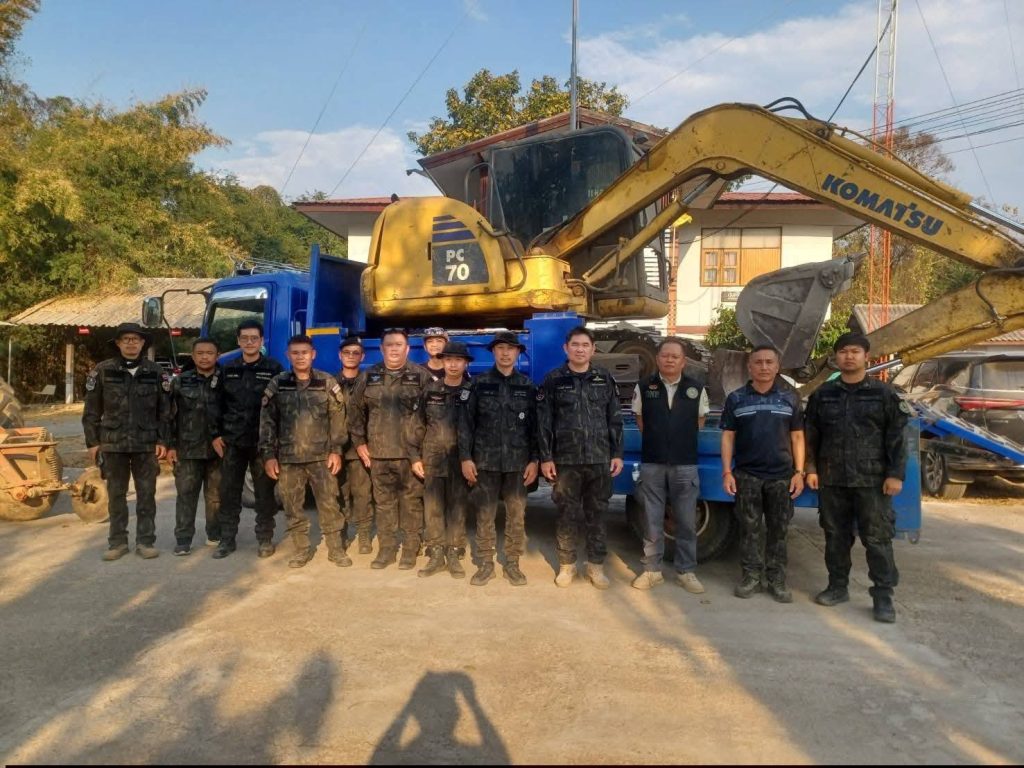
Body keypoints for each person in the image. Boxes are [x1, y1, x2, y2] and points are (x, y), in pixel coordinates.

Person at [805, 332, 910, 623]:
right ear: (835, 358)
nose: (849, 356)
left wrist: (895, 475)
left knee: (877, 539)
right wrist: (811, 469)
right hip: (832, 478)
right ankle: (837, 587)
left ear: (866, 357)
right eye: (843, 352)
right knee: (835, 536)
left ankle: (883, 596)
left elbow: (897, 438)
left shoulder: (883, 394)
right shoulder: (823, 395)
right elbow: (811, 435)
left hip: (872, 480)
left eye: (855, 351)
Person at [538, 326, 623, 589]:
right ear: (566, 348)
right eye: (575, 345)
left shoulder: (604, 378)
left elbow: (614, 418)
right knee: (567, 514)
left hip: (599, 458)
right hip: (566, 460)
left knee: (597, 514)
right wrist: (546, 457)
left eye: (585, 345)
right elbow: (544, 422)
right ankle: (567, 565)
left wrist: (617, 453)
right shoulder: (553, 379)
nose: (580, 349)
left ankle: (596, 567)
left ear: (593, 349)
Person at [720, 344, 805, 602]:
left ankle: (777, 580)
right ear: (749, 367)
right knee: (749, 529)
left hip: (781, 476)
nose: (764, 367)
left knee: (779, 531)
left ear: (777, 367)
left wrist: (799, 472)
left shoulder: (790, 398)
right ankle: (751, 577)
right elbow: (728, 437)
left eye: (769, 362)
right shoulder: (736, 398)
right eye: (758, 362)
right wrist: (727, 472)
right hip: (747, 476)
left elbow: (798, 437)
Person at [82, 322, 171, 561]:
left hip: (146, 443)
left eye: (136, 339)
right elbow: (91, 411)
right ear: (118, 343)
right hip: (113, 443)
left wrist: (163, 440)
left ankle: (145, 541)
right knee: (116, 495)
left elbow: (165, 411)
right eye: (126, 339)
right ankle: (117, 542)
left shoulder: (156, 372)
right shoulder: (102, 371)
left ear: (143, 343)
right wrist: (93, 442)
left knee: (146, 495)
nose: (131, 343)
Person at [259, 335, 348, 568]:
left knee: (329, 504)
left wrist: (336, 450)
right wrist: (268, 456)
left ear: (313, 354)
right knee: (292, 506)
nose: (300, 357)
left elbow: (338, 419)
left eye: (304, 352)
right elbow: (267, 421)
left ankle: (336, 549)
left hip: (321, 458)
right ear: (288, 355)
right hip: (289, 459)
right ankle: (301, 550)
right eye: (295, 353)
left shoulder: (326, 382)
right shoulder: (278, 383)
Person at [458, 332, 539, 587]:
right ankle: (485, 564)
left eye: (510, 348)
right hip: (484, 462)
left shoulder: (528, 387)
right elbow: (465, 425)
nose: (505, 353)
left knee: (516, 516)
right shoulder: (477, 384)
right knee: (484, 515)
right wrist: (465, 458)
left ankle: (512, 563)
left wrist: (535, 460)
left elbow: (536, 428)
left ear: (518, 353)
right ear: (493, 352)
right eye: (500, 348)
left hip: (518, 464)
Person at [630, 337, 710, 593]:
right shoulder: (645, 386)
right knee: (652, 520)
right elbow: (640, 419)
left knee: (686, 521)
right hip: (652, 462)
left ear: (683, 361)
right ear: (657, 359)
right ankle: (652, 571)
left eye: (675, 356)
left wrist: (678, 441)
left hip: (685, 464)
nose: (670, 360)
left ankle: (686, 572)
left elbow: (700, 421)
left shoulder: (696, 388)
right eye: (665, 355)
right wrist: (659, 440)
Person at [349, 328, 433, 570]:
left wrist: (424, 453)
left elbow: (433, 416)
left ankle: (410, 549)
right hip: (379, 454)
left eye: (399, 345)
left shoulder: (422, 377)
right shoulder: (369, 376)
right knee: (384, 504)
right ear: (381, 348)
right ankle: (386, 549)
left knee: (411, 504)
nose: (394, 349)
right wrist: (359, 442)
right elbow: (355, 411)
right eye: (389, 345)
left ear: (407, 349)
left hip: (411, 456)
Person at [212, 320, 284, 560]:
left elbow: (281, 406)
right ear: (238, 341)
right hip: (232, 441)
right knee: (229, 493)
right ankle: (227, 540)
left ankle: (265, 539)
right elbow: (216, 404)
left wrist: (277, 440)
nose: (249, 342)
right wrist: (215, 434)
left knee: (264, 494)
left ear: (261, 340)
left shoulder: (274, 368)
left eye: (254, 338)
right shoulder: (227, 368)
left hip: (262, 443)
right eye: (245, 338)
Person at [407, 341, 473, 579]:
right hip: (433, 459)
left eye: (458, 360)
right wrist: (415, 457)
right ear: (443, 362)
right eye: (449, 360)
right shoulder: (429, 391)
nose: (453, 364)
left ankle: (454, 552)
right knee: (433, 508)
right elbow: (417, 425)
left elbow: (481, 428)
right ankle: (435, 553)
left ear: (466, 364)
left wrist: (474, 460)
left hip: (462, 461)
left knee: (458, 507)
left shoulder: (474, 392)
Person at [167, 338, 223, 556]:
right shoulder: (180, 382)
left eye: (209, 353)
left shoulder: (226, 380)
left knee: (216, 495)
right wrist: (170, 446)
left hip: (218, 450)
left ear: (217, 355)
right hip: (187, 449)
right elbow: (169, 417)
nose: (205, 357)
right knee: (186, 495)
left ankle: (215, 534)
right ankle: (183, 540)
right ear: (193, 356)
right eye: (200, 353)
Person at [336, 335, 375, 554]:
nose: (351, 356)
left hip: (361, 449)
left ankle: (364, 536)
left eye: (356, 353)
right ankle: (341, 534)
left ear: (363, 356)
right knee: (339, 494)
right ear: (340, 355)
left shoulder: (369, 382)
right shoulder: (329, 382)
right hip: (336, 449)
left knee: (363, 494)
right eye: (347, 352)